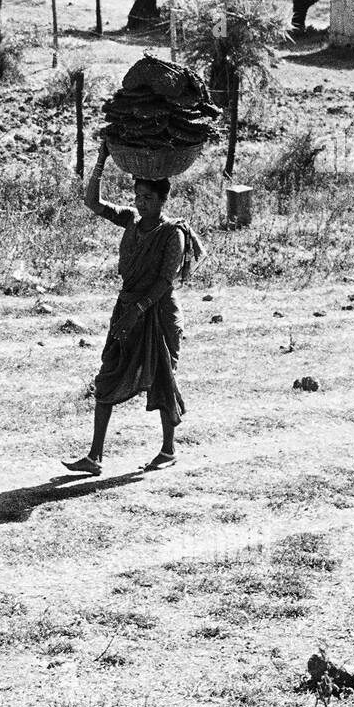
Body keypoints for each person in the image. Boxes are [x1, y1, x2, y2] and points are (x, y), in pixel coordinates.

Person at [63, 142, 204, 475]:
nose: (142, 204)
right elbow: (92, 203)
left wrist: (137, 310)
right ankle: (95, 456)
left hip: (157, 313)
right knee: (108, 373)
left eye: (149, 199)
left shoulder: (172, 234)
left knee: (162, 377)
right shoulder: (130, 221)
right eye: (138, 198)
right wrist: (100, 160)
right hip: (127, 307)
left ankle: (168, 449)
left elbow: (164, 282)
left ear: (163, 200)